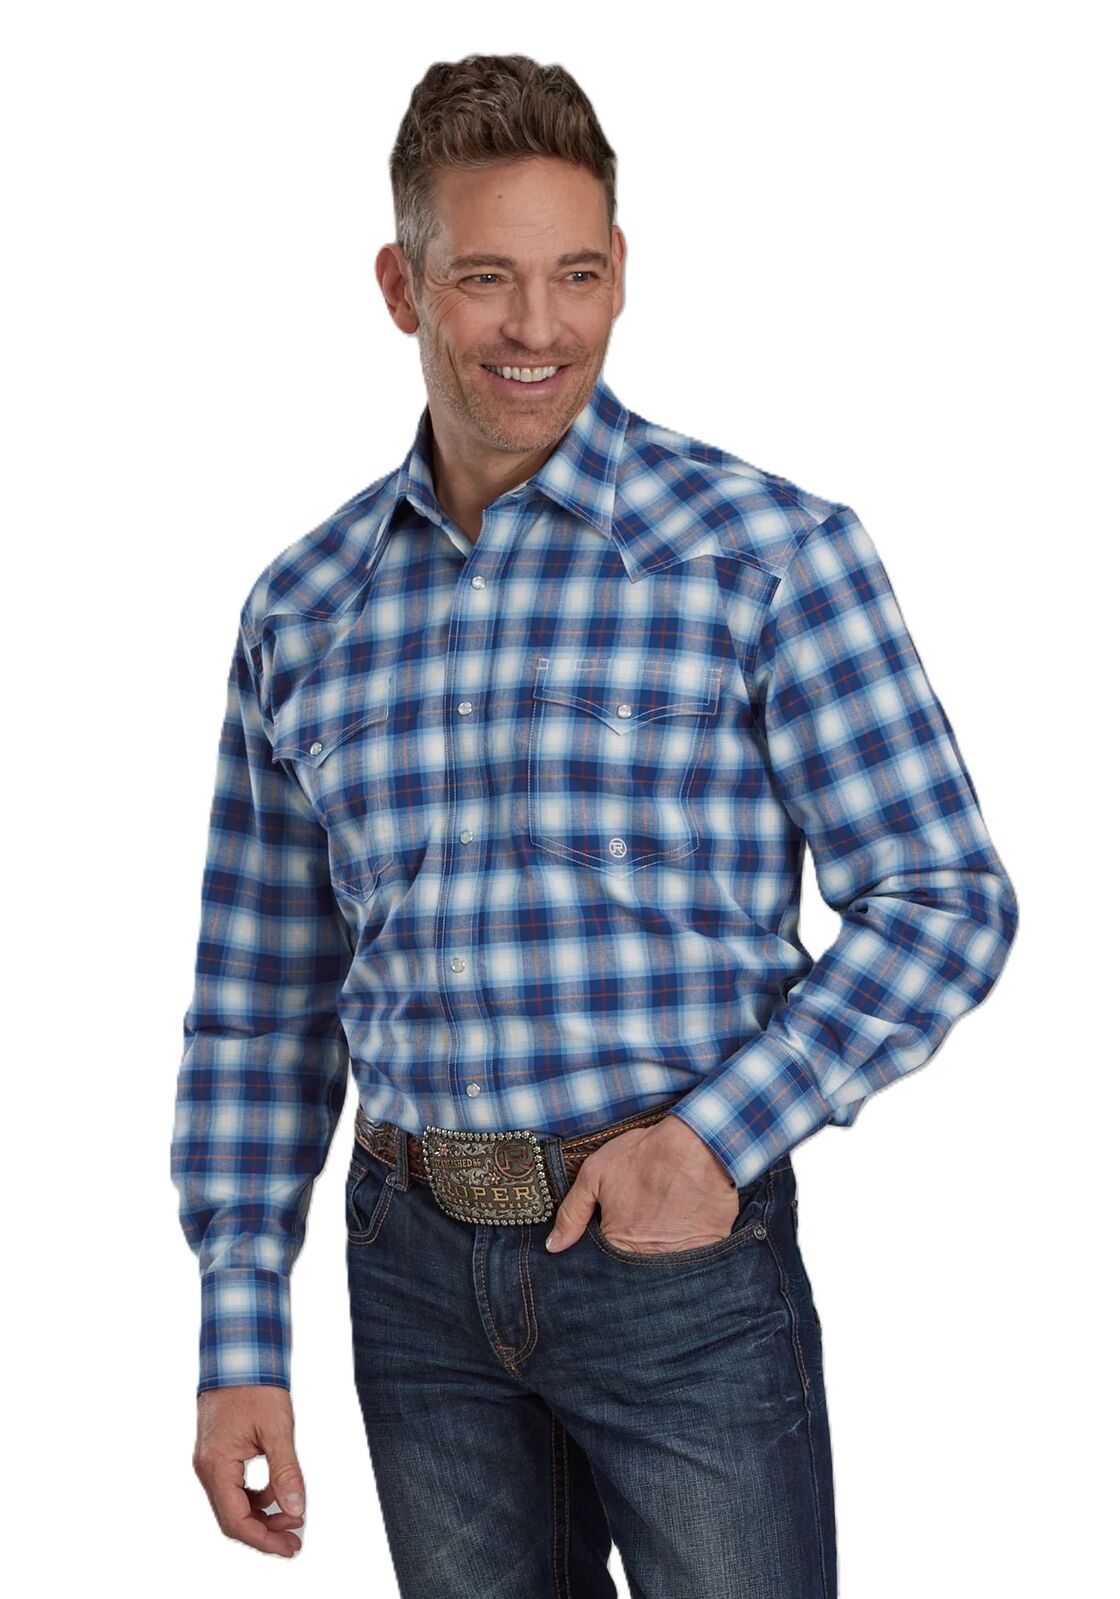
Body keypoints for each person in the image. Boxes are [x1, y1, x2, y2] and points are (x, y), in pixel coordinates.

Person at [170, 52, 1019, 1599]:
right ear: (402, 286)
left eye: (575, 275)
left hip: (675, 1264)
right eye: (486, 278)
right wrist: (240, 1334)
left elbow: (943, 898)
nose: (538, 328)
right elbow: (260, 999)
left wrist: (714, 1142)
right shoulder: (303, 608)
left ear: (620, 272)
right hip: (412, 1278)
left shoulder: (765, 555)